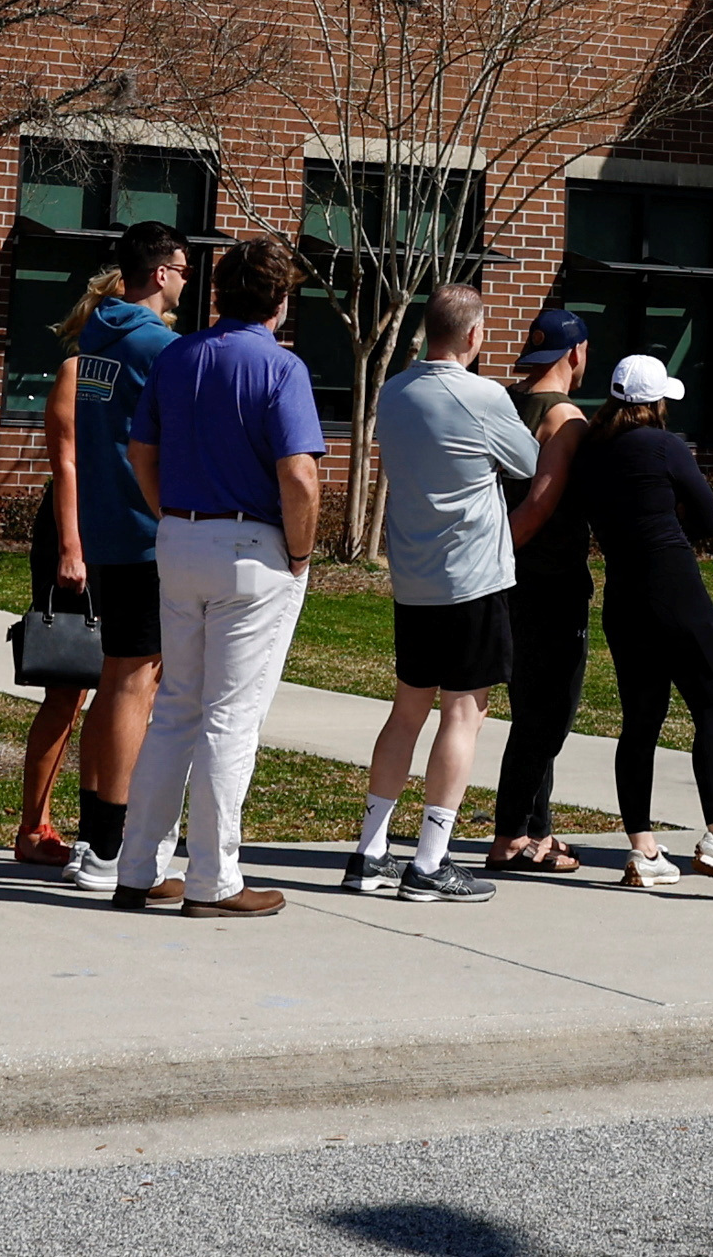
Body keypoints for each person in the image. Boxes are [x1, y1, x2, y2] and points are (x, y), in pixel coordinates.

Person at [115, 227, 323, 916]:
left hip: (179, 534)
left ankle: (138, 866)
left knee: (174, 708)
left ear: (220, 291)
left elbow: (141, 451)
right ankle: (213, 879)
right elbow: (299, 474)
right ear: (280, 300)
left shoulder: (178, 356)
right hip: (252, 547)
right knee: (230, 717)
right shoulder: (280, 367)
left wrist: (170, 515)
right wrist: (299, 552)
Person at [351, 280, 526, 903]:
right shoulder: (485, 395)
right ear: (475, 336)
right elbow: (527, 462)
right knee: (464, 712)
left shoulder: (393, 391)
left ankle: (371, 852)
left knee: (407, 711)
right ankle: (430, 862)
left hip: (415, 580)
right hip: (473, 578)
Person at [30, 224, 187, 889]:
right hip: (144, 532)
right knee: (133, 683)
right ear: (158, 272)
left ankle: (98, 836)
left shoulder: (96, 346)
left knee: (114, 684)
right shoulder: (159, 346)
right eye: (180, 267)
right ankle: (106, 849)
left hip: (106, 534)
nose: (185, 278)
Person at [582, 350, 713, 893]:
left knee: (640, 720)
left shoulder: (593, 451)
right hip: (673, 585)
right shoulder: (665, 445)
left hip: (622, 594)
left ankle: (643, 850)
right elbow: (709, 519)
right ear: (655, 401)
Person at [486, 305, 602, 879]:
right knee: (547, 716)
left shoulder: (501, 401)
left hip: (502, 581)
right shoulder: (566, 420)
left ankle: (538, 831)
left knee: (530, 708)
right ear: (575, 354)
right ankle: (511, 835)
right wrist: (496, 560)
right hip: (547, 582)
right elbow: (536, 510)